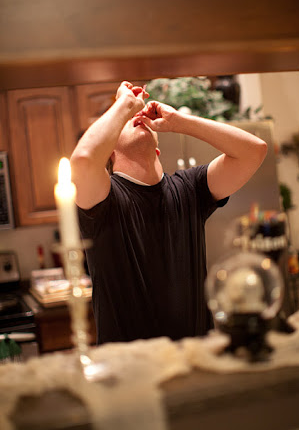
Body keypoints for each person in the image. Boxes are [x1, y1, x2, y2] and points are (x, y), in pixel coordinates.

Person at [70, 81, 267, 344]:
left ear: (157, 149)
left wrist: (180, 122)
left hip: (196, 359)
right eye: (126, 121)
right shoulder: (103, 199)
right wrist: (124, 104)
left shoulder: (190, 188)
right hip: (129, 366)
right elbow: (83, 159)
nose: (136, 117)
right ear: (110, 152)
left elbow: (254, 151)